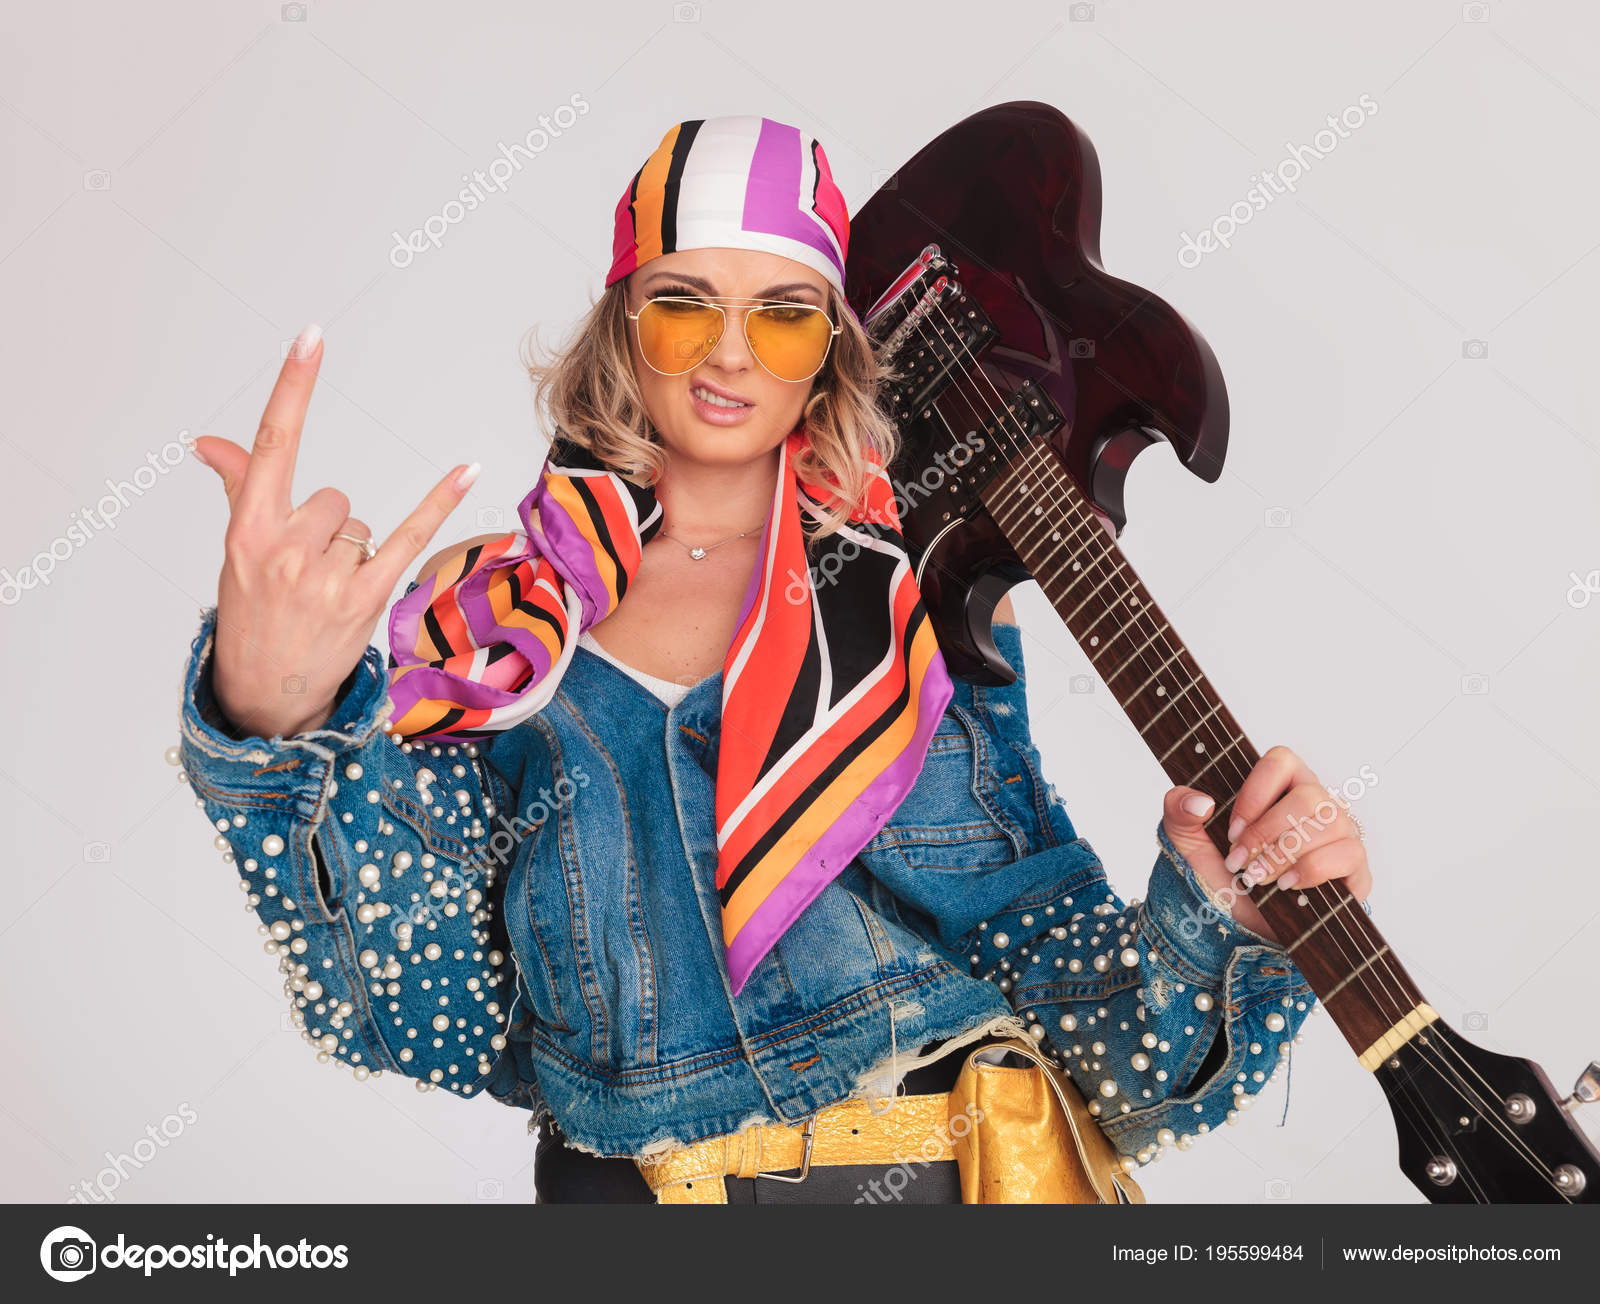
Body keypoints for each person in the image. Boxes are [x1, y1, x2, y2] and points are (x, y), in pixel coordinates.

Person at [173, 115, 1371, 1204]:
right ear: (623, 323)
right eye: (686, 304)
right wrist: (278, 714)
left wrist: (1217, 921)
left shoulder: (914, 590)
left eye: (785, 312)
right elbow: (418, 1016)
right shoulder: (494, 616)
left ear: (832, 348)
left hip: (974, 1175)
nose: (731, 355)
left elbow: (1096, 1040)